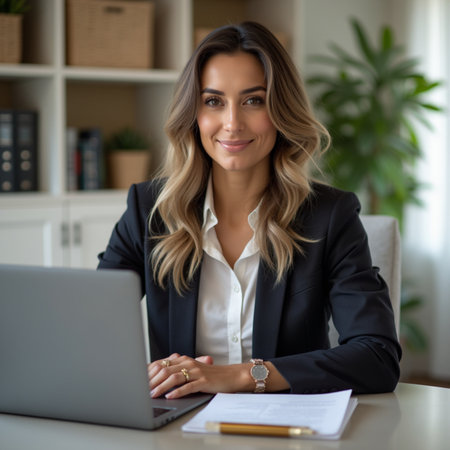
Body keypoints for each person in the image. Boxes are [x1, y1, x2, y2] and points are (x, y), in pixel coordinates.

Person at [98, 21, 401, 399]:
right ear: (193, 114)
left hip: (288, 429)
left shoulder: (330, 216)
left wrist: (244, 375)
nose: (232, 123)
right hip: (179, 430)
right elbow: (95, 330)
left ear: (281, 109)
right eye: (213, 101)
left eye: (253, 100)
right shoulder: (150, 211)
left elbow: (377, 356)